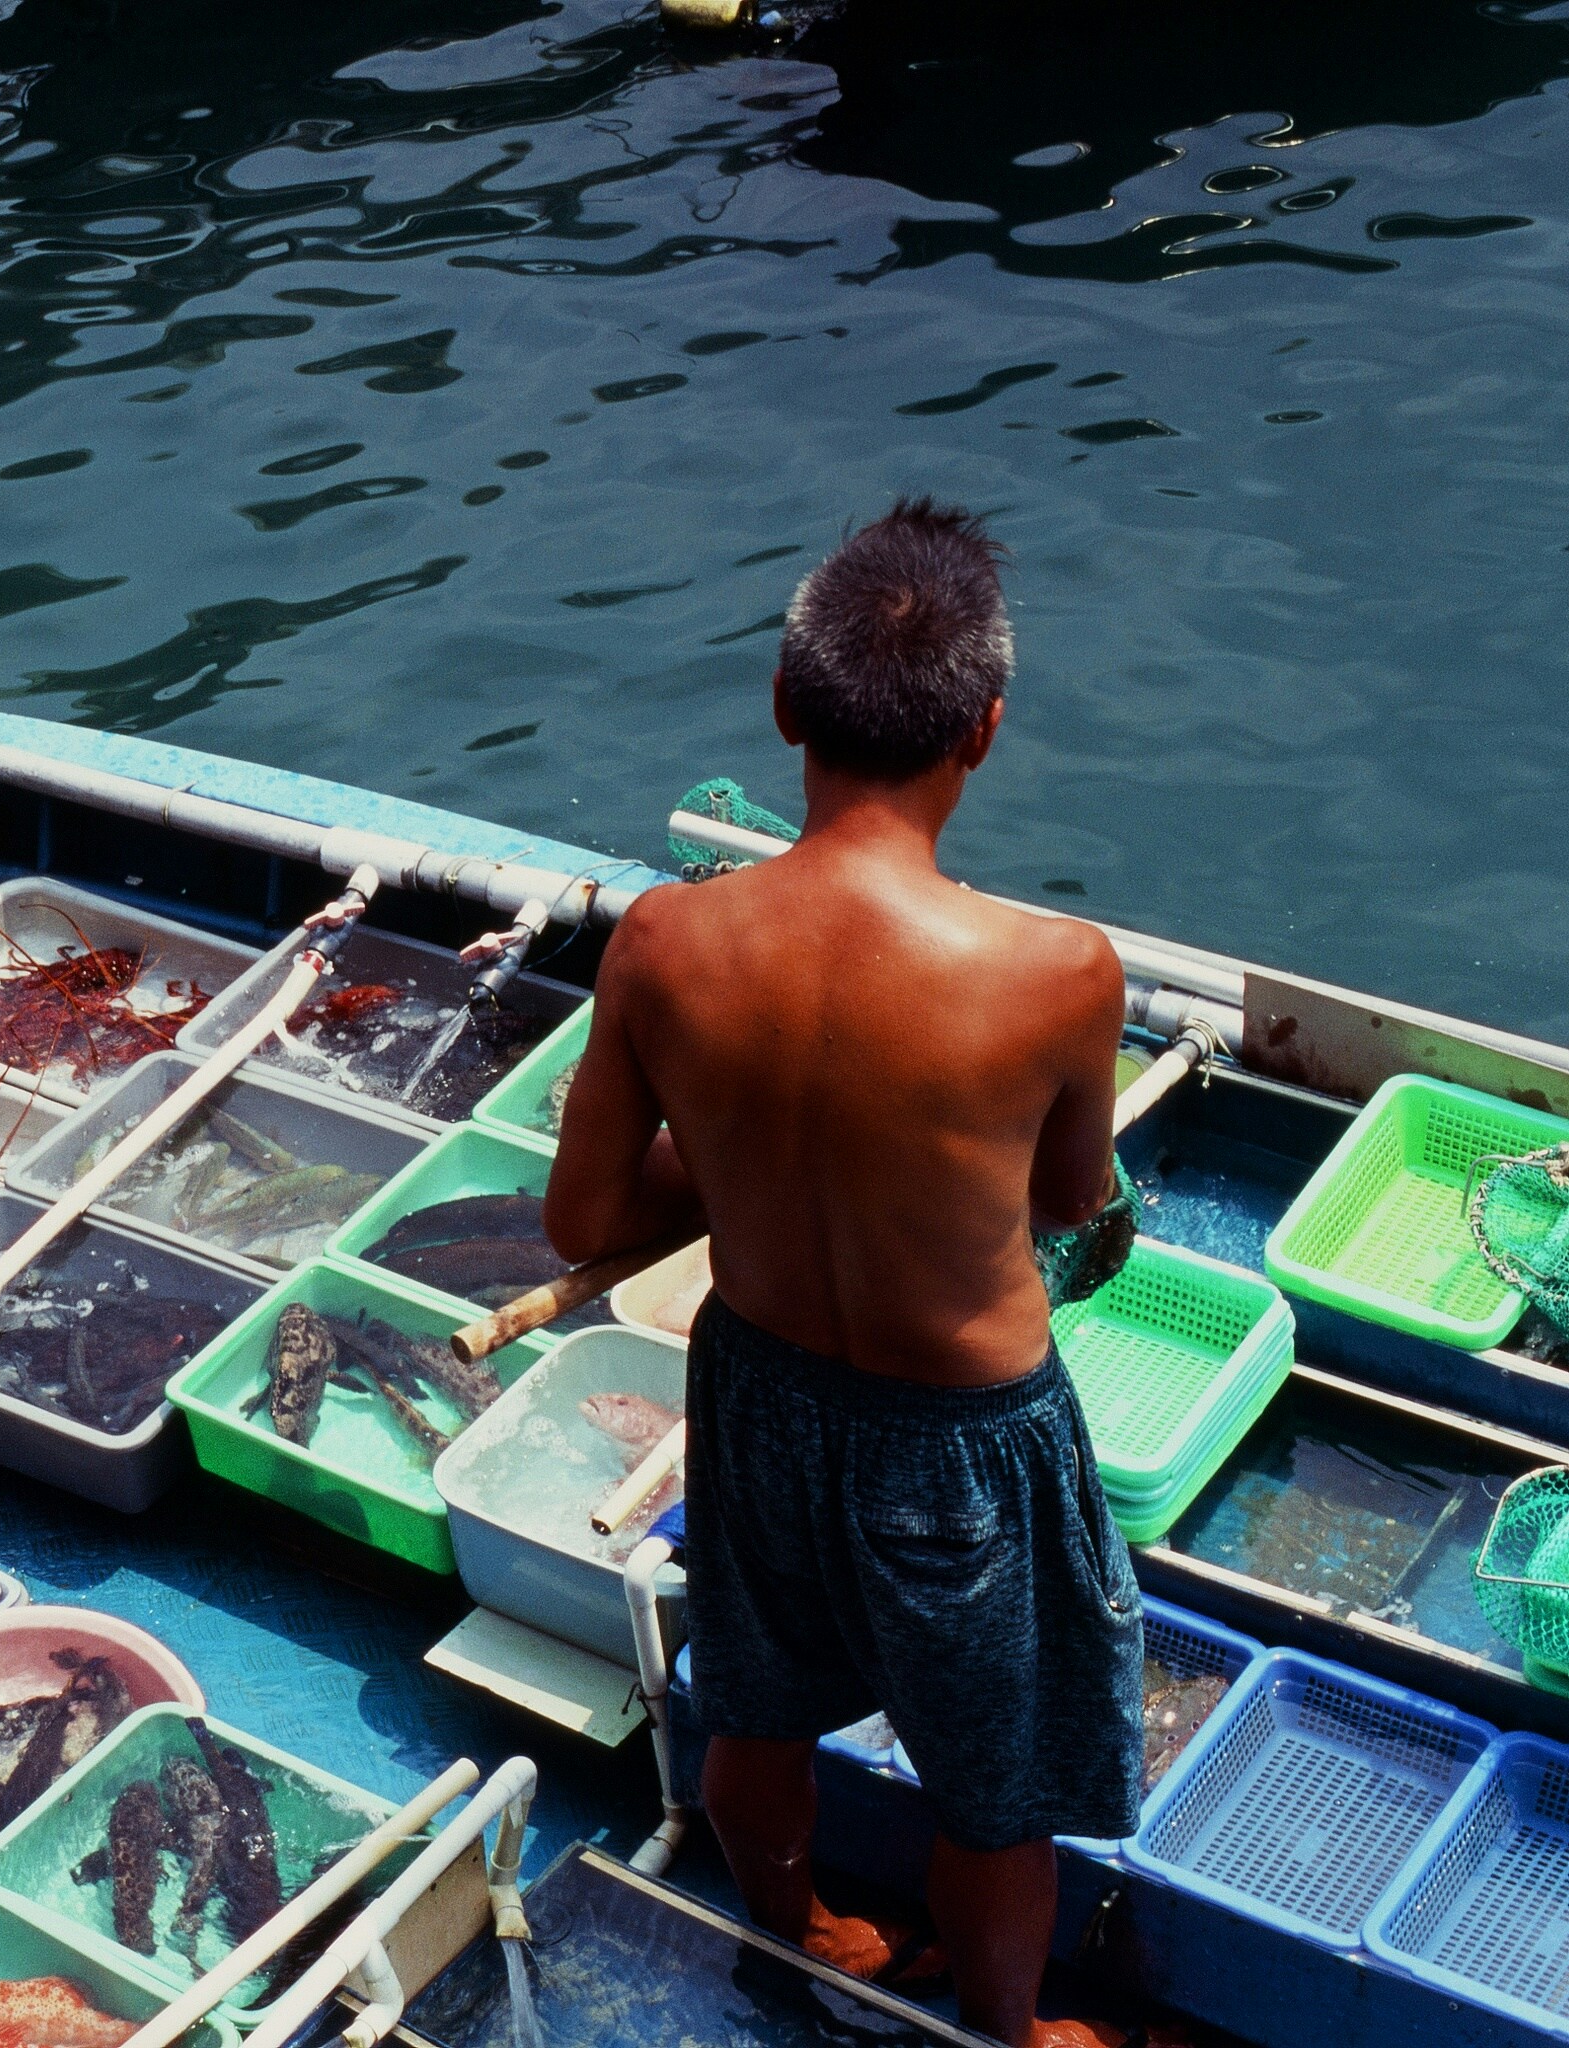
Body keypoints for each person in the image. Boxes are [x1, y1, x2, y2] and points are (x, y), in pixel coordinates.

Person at [542, 499, 1141, 2048]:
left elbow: (583, 1217)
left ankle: (796, 1927)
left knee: (751, 1694)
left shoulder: (664, 941)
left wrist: (747, 1142)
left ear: (784, 709)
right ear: (985, 730)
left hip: (756, 1392)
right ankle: (1002, 2033)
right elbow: (1071, 1197)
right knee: (994, 1784)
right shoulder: (1056, 971)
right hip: (963, 1444)